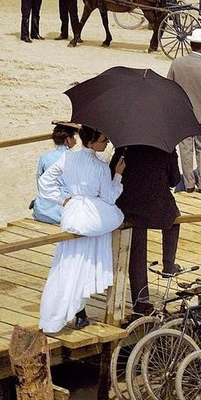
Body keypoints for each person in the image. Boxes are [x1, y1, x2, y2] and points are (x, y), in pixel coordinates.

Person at [38, 126, 125, 332]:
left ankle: (59, 313)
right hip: (93, 217)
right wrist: (118, 176)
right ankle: (76, 309)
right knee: (84, 262)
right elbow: (109, 197)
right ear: (92, 142)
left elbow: (45, 181)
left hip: (73, 212)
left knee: (66, 261)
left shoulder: (68, 158)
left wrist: (63, 199)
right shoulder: (101, 167)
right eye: (103, 140)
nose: (106, 143)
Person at [111, 144, 181, 316]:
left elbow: (113, 170)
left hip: (130, 205)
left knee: (137, 254)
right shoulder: (166, 146)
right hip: (158, 205)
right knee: (174, 220)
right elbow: (174, 179)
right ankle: (168, 265)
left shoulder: (126, 145)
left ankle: (140, 301)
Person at [167, 27, 201, 193]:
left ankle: (189, 183)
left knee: (185, 149)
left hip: (182, 114)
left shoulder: (177, 63)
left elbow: (169, 86)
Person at [32, 121, 79, 224]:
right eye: (73, 138)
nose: (75, 141)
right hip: (61, 211)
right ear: (67, 140)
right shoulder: (74, 158)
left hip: (41, 210)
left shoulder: (44, 157)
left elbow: (40, 183)